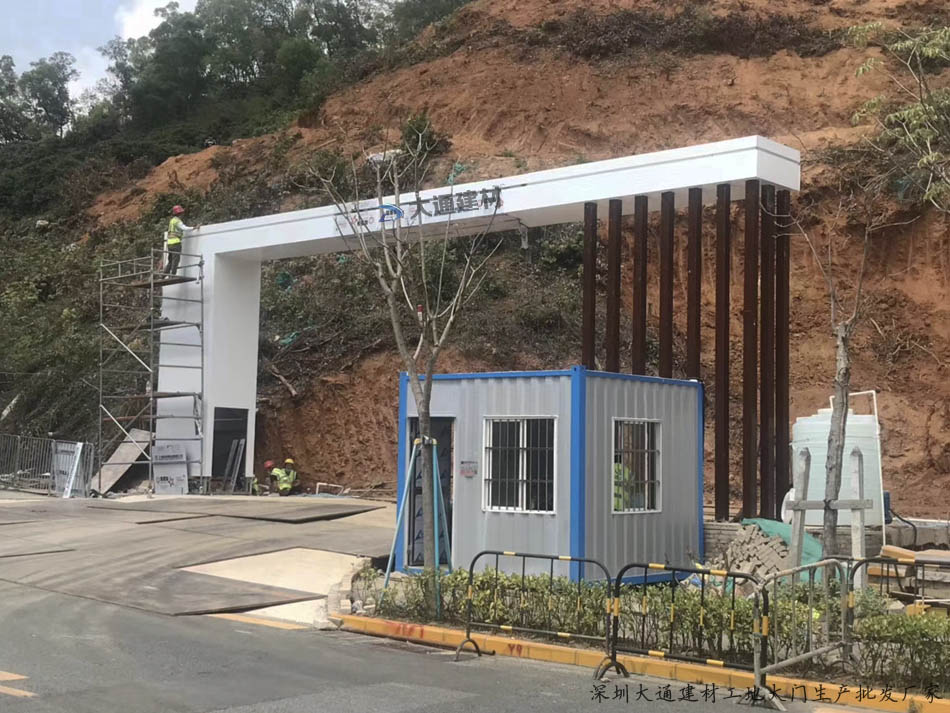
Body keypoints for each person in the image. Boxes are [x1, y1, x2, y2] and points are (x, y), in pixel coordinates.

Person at [164, 205, 200, 275]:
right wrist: (194, 228)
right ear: (180, 213)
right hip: (176, 243)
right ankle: (173, 275)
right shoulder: (177, 221)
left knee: (170, 261)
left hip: (169, 243)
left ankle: (163, 276)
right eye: (181, 213)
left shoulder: (172, 220)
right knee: (175, 260)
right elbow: (184, 228)